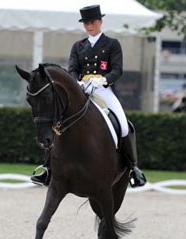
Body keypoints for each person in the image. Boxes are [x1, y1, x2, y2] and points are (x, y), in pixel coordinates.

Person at [31, 4, 146, 188]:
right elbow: (72, 69)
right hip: (81, 89)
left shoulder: (112, 44)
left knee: (124, 126)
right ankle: (47, 169)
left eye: (92, 22)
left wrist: (101, 81)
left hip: (102, 89)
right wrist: (78, 82)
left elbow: (117, 70)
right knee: (58, 123)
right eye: (85, 23)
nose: (89, 26)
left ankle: (133, 168)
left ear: (100, 21)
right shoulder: (79, 46)